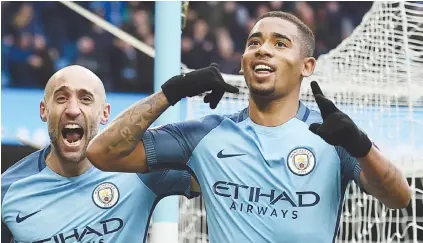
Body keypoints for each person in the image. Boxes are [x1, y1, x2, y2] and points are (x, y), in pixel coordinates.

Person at [87, 11, 411, 243]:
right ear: (243, 60)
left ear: (307, 66)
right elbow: (102, 153)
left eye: (280, 44)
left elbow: (399, 198)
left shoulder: (333, 137)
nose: (263, 49)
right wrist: (172, 92)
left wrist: (361, 146)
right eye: (254, 42)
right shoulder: (206, 135)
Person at [1, 65, 199, 243]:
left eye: (85, 99)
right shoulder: (8, 190)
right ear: (44, 110)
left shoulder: (137, 170)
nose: (72, 110)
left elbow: (211, 176)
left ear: (105, 113)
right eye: (61, 98)